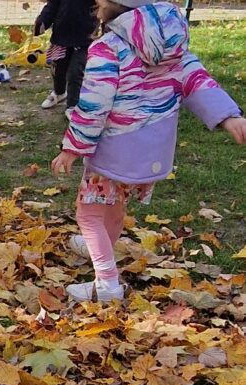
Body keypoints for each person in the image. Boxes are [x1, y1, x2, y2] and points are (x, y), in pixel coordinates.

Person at [52, 0, 246, 302]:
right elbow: (196, 80)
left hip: (113, 152)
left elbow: (93, 105)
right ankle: (100, 249)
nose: (94, 5)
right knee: (114, 206)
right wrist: (227, 115)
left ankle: (106, 284)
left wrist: (72, 148)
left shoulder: (109, 48)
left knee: (88, 213)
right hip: (148, 155)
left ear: (112, 6)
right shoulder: (172, 43)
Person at [34, 0, 99, 113]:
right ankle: (59, 93)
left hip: (84, 38)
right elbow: (52, 5)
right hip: (61, 36)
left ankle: (72, 105)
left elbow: (104, 6)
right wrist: (43, 21)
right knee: (58, 69)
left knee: (76, 72)